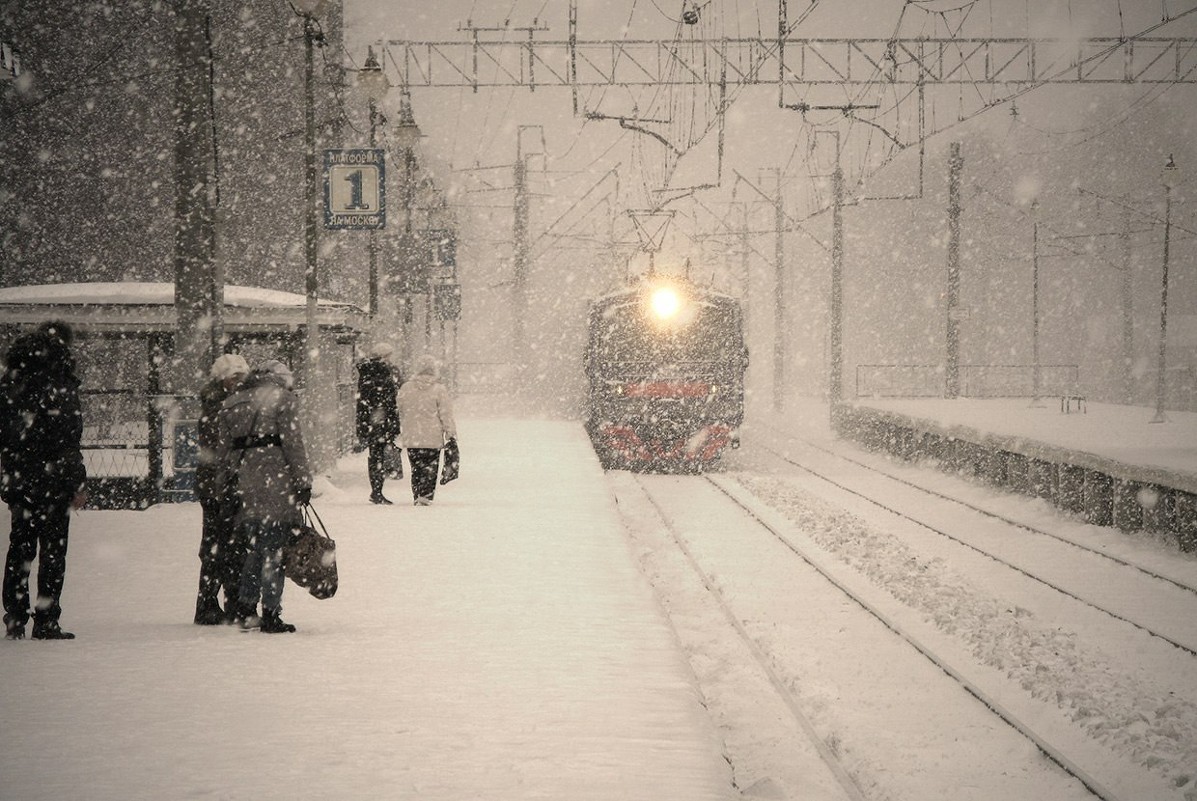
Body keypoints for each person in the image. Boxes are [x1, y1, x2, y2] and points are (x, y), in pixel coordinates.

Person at [1, 322, 87, 640]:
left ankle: (14, 615)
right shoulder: (60, 384)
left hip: (21, 478)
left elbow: (6, 435)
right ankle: (46, 617)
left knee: (20, 548)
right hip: (54, 481)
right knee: (53, 550)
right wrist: (77, 481)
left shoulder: (12, 382)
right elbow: (68, 439)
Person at [216, 359, 312, 634]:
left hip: (246, 484)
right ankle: (271, 612)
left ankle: (247, 607)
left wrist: (224, 484)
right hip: (276, 482)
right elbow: (293, 444)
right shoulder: (284, 400)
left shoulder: (231, 404)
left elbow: (223, 452)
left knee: (256, 548)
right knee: (274, 551)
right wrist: (303, 481)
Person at [193, 352, 250, 625]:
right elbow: (225, 446)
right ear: (223, 379)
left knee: (221, 543)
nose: (239, 382)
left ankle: (214, 601)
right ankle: (220, 603)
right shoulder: (222, 408)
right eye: (234, 377)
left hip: (217, 482)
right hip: (220, 483)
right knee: (225, 543)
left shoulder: (215, 404)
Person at [396, 354, 457, 506]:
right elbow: (445, 413)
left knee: (416, 467)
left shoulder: (406, 388)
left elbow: (400, 409)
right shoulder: (439, 389)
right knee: (430, 467)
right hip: (433, 436)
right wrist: (450, 432)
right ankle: (426, 495)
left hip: (412, 435)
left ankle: (417, 494)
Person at [356, 342, 401, 505]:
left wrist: (362, 424)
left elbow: (363, 401)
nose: (391, 359)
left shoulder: (366, 373)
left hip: (371, 420)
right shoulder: (383, 374)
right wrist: (393, 423)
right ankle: (377, 491)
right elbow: (389, 400)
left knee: (375, 456)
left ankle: (376, 490)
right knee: (379, 456)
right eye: (389, 356)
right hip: (381, 420)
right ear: (384, 357)